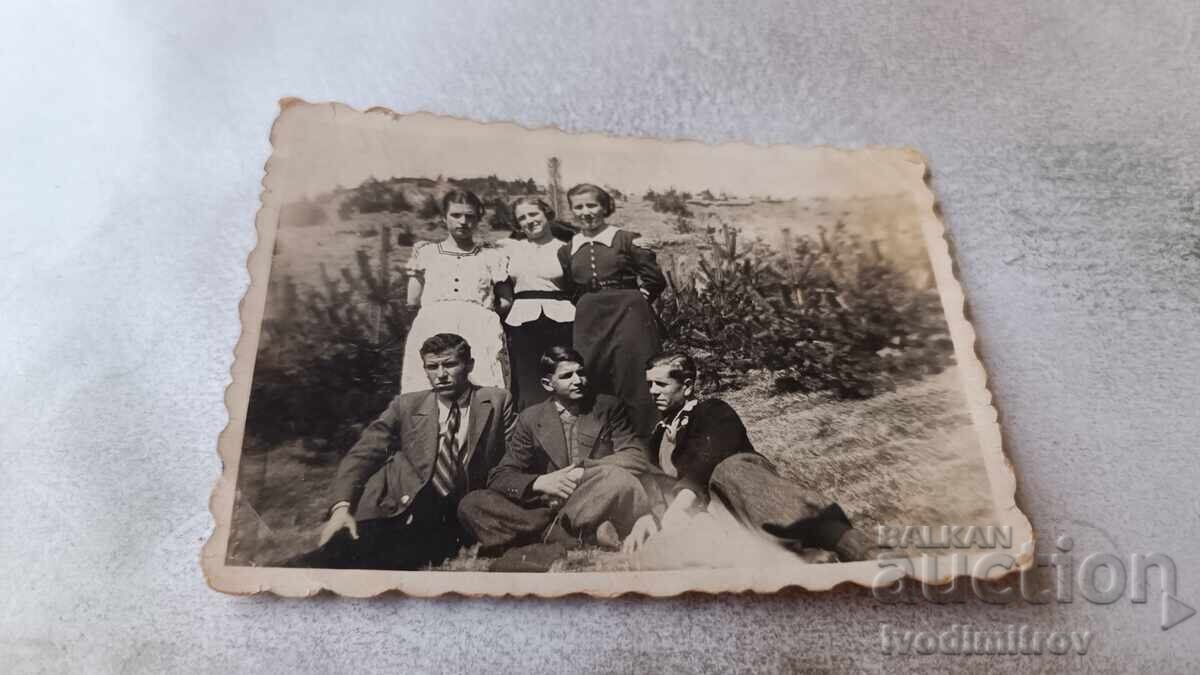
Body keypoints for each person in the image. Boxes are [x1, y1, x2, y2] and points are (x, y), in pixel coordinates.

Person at [287, 334, 516, 570]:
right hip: (400, 500)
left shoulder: (496, 401)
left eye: (449, 364)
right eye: (432, 367)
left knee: (405, 553)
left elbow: (513, 459)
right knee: (347, 547)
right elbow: (364, 454)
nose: (441, 374)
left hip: (456, 508)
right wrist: (341, 508)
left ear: (469, 365)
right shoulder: (406, 405)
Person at [622, 352, 877, 562]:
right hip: (707, 521)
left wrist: (684, 499)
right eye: (649, 384)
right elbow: (656, 486)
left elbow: (712, 455)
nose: (653, 391)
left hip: (744, 499)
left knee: (731, 469)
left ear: (687, 386)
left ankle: (847, 542)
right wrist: (648, 517)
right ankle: (802, 558)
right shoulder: (656, 436)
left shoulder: (712, 411)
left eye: (661, 384)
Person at [457, 346, 660, 556]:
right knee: (471, 503)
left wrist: (582, 471)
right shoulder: (531, 418)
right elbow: (501, 476)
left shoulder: (607, 407)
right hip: (544, 507)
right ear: (548, 384)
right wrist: (540, 482)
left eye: (581, 373)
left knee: (616, 477)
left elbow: (635, 456)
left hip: (590, 499)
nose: (578, 380)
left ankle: (539, 540)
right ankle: (566, 537)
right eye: (567, 376)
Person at [558, 183, 666, 437]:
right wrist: (586, 304)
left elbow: (654, 278)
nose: (586, 212)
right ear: (572, 211)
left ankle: (647, 441)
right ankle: (604, 439)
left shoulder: (626, 239)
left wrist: (638, 297)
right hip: (589, 320)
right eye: (579, 207)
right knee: (590, 372)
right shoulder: (568, 249)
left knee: (635, 375)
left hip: (629, 315)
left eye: (592, 205)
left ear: (604, 207)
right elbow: (569, 287)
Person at [400, 189, 512, 394]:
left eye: (470, 216)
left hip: (479, 328)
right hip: (433, 325)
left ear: (478, 219)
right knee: (427, 384)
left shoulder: (491, 257)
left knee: (482, 382)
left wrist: (481, 316)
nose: (463, 222)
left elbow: (505, 302)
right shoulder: (426, 253)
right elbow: (413, 300)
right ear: (444, 217)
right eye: (456, 215)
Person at [499, 197, 575, 410]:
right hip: (522, 322)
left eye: (533, 214)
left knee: (562, 375)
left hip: (562, 320)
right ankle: (531, 425)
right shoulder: (509, 248)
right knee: (527, 380)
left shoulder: (567, 249)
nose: (529, 220)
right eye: (522, 218)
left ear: (546, 214)